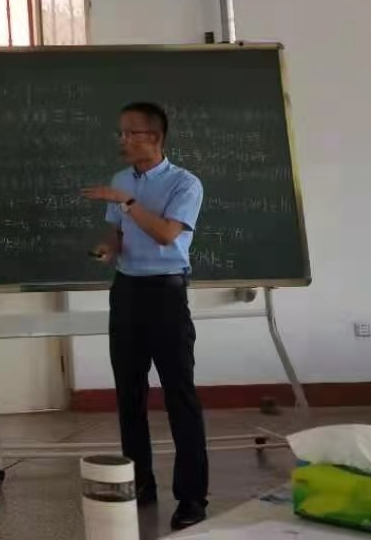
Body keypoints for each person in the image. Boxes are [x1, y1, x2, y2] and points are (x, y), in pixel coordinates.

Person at [82, 102, 208, 532]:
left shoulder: (185, 183)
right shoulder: (121, 180)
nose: (122, 140)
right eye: (120, 132)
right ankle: (140, 483)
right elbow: (119, 232)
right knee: (129, 394)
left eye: (129, 133)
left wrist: (128, 201)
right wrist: (109, 247)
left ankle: (192, 498)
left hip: (167, 295)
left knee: (179, 395)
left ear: (154, 137)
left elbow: (167, 234)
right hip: (127, 292)